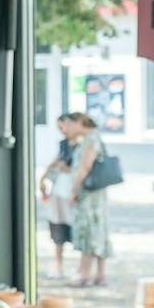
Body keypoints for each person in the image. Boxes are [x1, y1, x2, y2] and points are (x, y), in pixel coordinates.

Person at [67, 111, 112, 288]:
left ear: (80, 122)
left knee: (88, 231)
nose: (69, 128)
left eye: (71, 124)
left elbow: (85, 166)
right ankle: (99, 275)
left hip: (89, 194)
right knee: (99, 230)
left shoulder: (90, 139)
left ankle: (84, 273)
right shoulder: (93, 138)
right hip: (96, 194)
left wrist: (74, 189)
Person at [38, 114, 78, 278]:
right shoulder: (64, 145)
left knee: (74, 227)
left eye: (63, 126)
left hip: (72, 192)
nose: (62, 131)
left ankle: (82, 269)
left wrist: (65, 168)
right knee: (57, 227)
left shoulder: (83, 146)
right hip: (59, 191)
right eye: (59, 128)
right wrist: (43, 178)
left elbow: (80, 170)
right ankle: (58, 265)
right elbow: (55, 162)